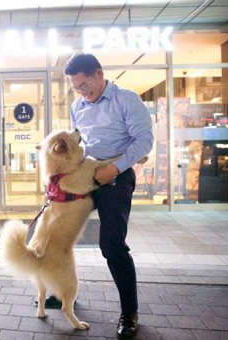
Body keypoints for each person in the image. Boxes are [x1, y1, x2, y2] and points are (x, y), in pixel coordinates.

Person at [37, 53, 153, 339]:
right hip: (85, 173)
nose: (81, 92)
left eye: (84, 84)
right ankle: (62, 293)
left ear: (99, 73)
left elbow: (144, 140)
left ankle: (129, 313)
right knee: (55, 232)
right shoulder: (78, 107)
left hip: (116, 174)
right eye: (76, 87)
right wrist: (59, 180)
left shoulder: (125, 99)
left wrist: (114, 168)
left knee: (111, 244)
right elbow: (82, 148)